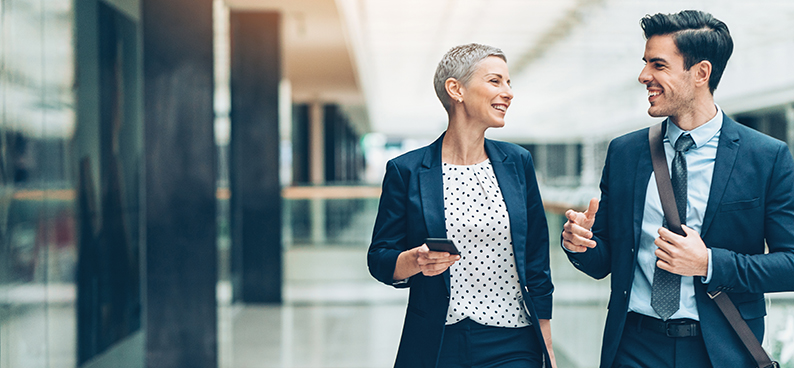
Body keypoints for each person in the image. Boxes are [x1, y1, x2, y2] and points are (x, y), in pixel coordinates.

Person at [562, 10, 794, 368]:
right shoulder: (625, 152)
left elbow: (790, 263)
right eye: (645, 63)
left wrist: (709, 263)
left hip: (720, 350)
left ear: (701, 73)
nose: (643, 76)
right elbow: (603, 261)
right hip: (633, 346)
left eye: (658, 65)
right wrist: (579, 245)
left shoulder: (766, 157)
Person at [368, 43, 556, 368]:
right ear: (456, 89)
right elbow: (380, 257)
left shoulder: (518, 163)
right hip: (437, 341)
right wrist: (414, 261)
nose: (508, 92)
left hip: (514, 340)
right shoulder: (407, 170)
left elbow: (537, 260)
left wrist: (547, 350)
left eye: (509, 83)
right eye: (496, 81)